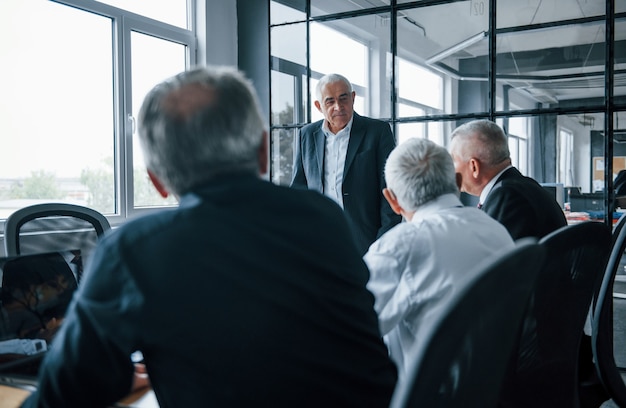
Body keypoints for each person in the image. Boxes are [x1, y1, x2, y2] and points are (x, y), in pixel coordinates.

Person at [22, 66, 397, 407]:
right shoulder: (325, 219)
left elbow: (68, 391)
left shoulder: (135, 250)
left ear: (156, 180)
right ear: (263, 152)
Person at [364, 138, 515, 377]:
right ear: (457, 181)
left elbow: (350, 327)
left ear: (392, 200)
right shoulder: (496, 230)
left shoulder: (399, 246)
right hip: (495, 387)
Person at [290, 73, 401, 255]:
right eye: (330, 101)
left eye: (343, 98)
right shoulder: (306, 135)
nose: (338, 107)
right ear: (319, 106)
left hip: (368, 240)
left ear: (353, 98)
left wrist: (384, 241)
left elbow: (390, 189)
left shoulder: (377, 131)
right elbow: (299, 189)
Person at [449, 119, 567, 240]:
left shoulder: (507, 198)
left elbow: (492, 255)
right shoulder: (523, 186)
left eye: (453, 160)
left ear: (474, 167)